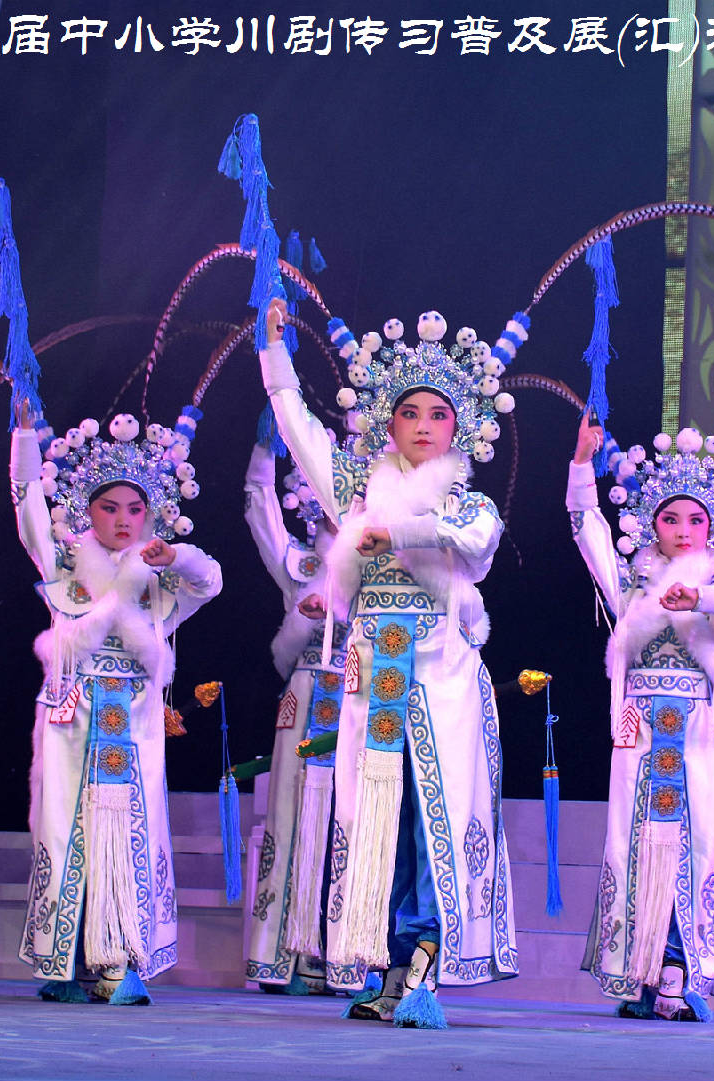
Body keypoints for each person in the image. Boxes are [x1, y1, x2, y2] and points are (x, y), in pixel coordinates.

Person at [257, 298, 519, 1027]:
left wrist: (392, 533)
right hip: (372, 682)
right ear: (388, 423)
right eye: (410, 413)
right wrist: (275, 355)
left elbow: (473, 545)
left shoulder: (469, 506)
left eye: (439, 414)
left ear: (459, 427)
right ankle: (390, 962)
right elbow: (300, 431)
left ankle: (426, 958)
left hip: (440, 681)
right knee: (381, 816)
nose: (424, 425)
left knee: (435, 817)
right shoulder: (355, 492)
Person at [11, 403, 222, 1005]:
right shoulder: (65, 566)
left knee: (132, 829)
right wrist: (23, 438)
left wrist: (176, 557)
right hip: (71, 716)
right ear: (88, 511)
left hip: (133, 721)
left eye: (135, 508)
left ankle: (122, 957)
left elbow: (210, 581)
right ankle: (67, 961)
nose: (123, 519)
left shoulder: (159, 579)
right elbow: (28, 510)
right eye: (109, 507)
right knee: (64, 828)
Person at [566, 413, 714, 1021]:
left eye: (696, 520)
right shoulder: (631, 588)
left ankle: (677, 972)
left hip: (696, 739)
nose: (683, 530)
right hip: (639, 736)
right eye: (671, 519)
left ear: (713, 528)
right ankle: (640, 970)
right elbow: (587, 531)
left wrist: (698, 597)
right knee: (633, 846)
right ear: (652, 524)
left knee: (694, 848)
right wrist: (582, 465)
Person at [240, 436, 359, 994]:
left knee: (352, 820)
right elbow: (259, 506)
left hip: (362, 698)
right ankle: (283, 953)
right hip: (307, 693)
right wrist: (266, 447)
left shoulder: (384, 565)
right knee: (290, 815)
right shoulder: (301, 564)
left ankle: (344, 955)